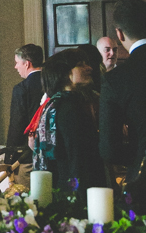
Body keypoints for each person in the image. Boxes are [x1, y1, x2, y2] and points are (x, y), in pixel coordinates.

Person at [99, 0, 146, 184]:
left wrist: (140, 152)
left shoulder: (115, 79)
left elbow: (109, 150)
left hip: (144, 177)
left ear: (119, 34)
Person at [35, 49, 106, 193]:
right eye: (80, 65)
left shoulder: (56, 104)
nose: (89, 68)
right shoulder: (70, 108)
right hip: (76, 187)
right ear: (65, 73)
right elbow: (77, 155)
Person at [4, 44, 44, 164]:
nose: (16, 67)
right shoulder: (52, 83)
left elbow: (17, 124)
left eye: (17, 62)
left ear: (27, 64)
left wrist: (9, 157)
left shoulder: (22, 88)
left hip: (27, 155)